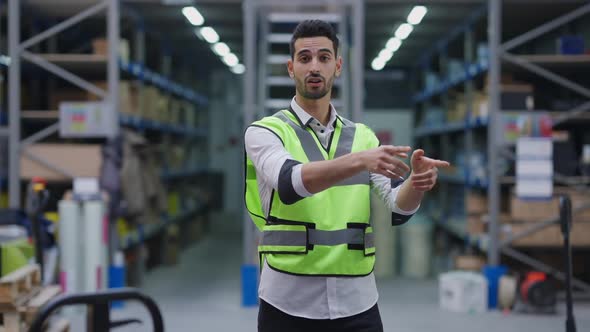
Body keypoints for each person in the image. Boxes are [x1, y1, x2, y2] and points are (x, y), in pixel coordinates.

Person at [244, 19, 450, 332]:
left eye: (324, 58)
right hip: (287, 302)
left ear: (338, 66)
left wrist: (416, 183)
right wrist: (358, 161)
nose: (315, 66)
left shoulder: (364, 137)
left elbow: (399, 206)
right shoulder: (265, 132)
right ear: (290, 68)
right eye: (305, 58)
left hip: (358, 302)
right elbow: (290, 182)